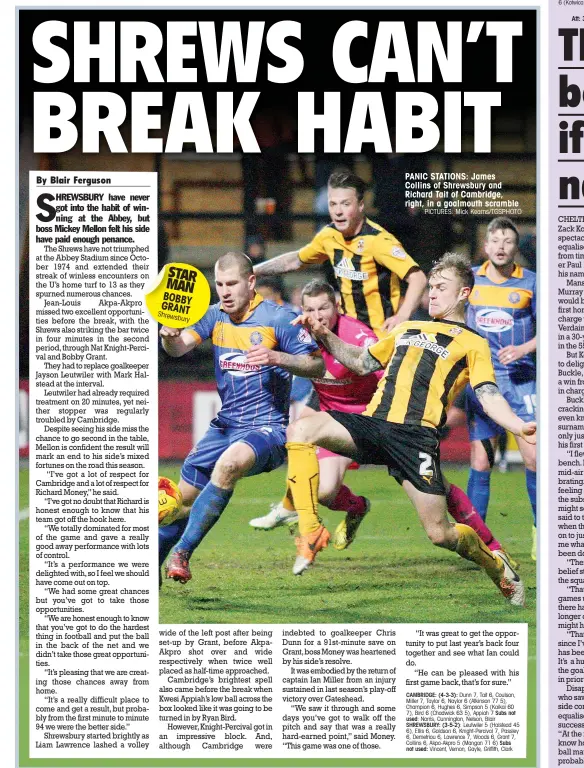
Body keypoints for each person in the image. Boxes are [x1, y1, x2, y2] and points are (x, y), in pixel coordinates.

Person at [283, 253, 536, 607]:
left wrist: (518, 425)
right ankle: (310, 531)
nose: (431, 294)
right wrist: (324, 335)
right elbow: (359, 360)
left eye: (441, 288)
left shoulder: (473, 343)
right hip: (372, 425)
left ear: (464, 293)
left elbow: (489, 396)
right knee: (301, 428)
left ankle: (495, 564)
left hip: (414, 439)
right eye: (430, 287)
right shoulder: (405, 328)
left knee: (440, 533)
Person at [249, 278, 511, 562]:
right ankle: (342, 510)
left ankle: (494, 550)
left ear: (336, 305)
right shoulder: (299, 334)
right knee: (318, 479)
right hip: (342, 419)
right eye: (310, 309)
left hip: (383, 419)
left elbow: (382, 368)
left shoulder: (358, 335)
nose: (317, 315)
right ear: (301, 308)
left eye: (323, 307)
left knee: (440, 508)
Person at [159, 251, 325, 585]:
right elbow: (179, 349)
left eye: (232, 283)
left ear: (251, 283)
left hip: (268, 429)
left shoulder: (278, 318)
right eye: (219, 284)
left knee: (229, 464)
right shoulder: (213, 316)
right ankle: (151, 563)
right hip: (225, 426)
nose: (225, 291)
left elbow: (317, 365)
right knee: (178, 503)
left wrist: (277, 356)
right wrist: (169, 338)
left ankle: (184, 552)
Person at [254, 170, 427, 337]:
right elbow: (295, 261)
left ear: (360, 205)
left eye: (345, 204)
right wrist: (253, 270)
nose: (338, 211)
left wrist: (402, 316)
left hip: (380, 336)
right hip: (347, 335)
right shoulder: (329, 235)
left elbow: (418, 278)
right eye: (333, 204)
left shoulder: (378, 241)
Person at [465, 217, 537, 559]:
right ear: (486, 246)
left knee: (535, 459)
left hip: (523, 381)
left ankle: (542, 533)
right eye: (495, 240)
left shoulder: (533, 283)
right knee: (481, 462)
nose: (501, 247)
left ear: (515, 246)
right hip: (483, 383)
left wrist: (524, 348)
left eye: (507, 241)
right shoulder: (471, 283)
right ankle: (476, 542)